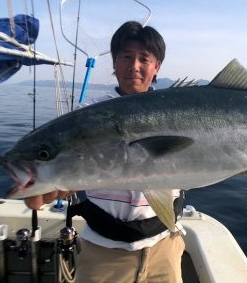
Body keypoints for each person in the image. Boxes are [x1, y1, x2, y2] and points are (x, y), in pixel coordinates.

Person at [25, 21, 185, 283]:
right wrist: (45, 180)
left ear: (157, 67)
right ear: (114, 63)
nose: (134, 66)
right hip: (104, 253)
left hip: (165, 246)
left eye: (144, 58)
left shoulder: (180, 110)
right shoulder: (86, 115)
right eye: (126, 57)